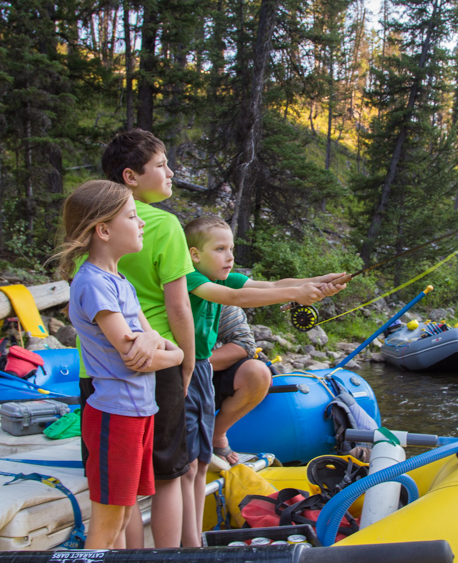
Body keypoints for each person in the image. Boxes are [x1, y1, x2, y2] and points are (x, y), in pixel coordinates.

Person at [181, 215, 346, 541]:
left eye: (231, 248)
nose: (230, 256)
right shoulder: (188, 279)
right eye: (220, 249)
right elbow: (238, 298)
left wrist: (320, 280)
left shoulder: (225, 277)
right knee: (187, 462)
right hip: (183, 374)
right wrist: (298, 294)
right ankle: (184, 535)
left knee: (197, 459)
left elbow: (271, 285)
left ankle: (212, 446)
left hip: (200, 372)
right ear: (194, 255)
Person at [56, 179, 184, 549]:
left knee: (125, 512)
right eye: (132, 215)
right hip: (116, 416)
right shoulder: (93, 284)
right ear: (104, 230)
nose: (141, 222)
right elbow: (136, 357)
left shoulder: (120, 281)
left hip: (139, 411)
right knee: (108, 522)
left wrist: (156, 346)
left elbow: (168, 351)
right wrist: (156, 348)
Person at [83, 129, 196, 548]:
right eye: (162, 165)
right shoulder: (162, 225)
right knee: (165, 476)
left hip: (94, 371)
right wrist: (185, 360)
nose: (170, 173)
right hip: (142, 375)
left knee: (120, 488)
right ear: (130, 176)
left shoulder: (90, 230)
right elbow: (178, 308)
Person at [209, 305, 272, 465]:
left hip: (204, 371)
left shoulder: (219, 296)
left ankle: (217, 434)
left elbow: (245, 345)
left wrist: (190, 364)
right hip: (162, 376)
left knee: (258, 372)